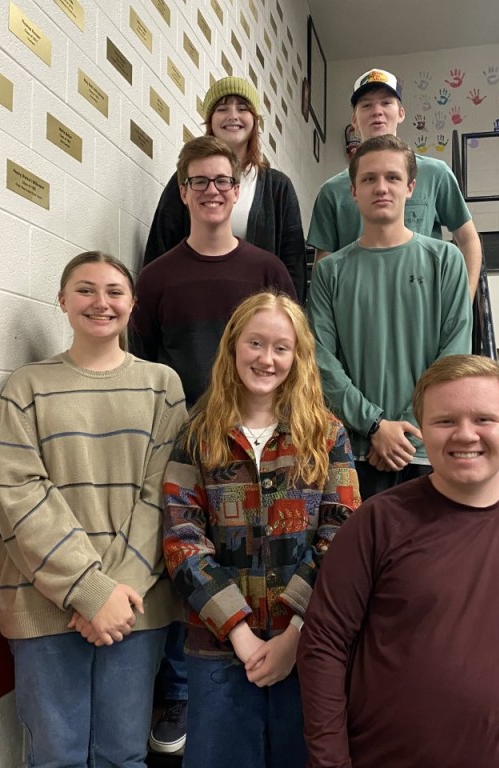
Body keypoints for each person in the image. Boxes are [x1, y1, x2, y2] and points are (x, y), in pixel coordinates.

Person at [297, 354, 499, 768]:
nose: (465, 435)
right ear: (423, 430)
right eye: (445, 421)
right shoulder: (376, 523)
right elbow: (323, 647)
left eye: (484, 419)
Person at [0, 251, 187, 768]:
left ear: (132, 304)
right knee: (57, 758)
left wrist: (115, 593)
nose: (101, 302)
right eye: (85, 290)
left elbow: (163, 494)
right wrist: (92, 591)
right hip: (43, 603)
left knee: (122, 757)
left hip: (134, 605)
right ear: (62, 300)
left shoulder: (163, 386)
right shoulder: (26, 386)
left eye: (114, 291)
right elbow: (20, 494)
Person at [132, 135, 296, 754]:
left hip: (268, 446)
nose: (211, 191)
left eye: (222, 180)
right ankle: (178, 694)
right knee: (193, 559)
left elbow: (291, 349)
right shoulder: (156, 278)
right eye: (198, 181)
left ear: (237, 188)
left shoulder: (267, 270)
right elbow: (144, 364)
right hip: (194, 448)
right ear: (183, 192)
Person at [162, 291, 361, 768]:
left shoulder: (327, 435)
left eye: (280, 347)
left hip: (310, 648)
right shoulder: (197, 435)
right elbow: (182, 540)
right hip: (217, 651)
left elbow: (342, 536)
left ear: (297, 356)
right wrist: (239, 633)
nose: (266, 359)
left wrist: (295, 635)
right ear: (233, 345)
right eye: (255, 343)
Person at [306, 134, 472, 499]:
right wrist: (374, 425)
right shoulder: (329, 272)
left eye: (393, 177)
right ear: (353, 191)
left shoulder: (446, 261)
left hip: (425, 450)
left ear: (411, 187)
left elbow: (454, 356)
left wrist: (405, 429)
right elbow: (319, 359)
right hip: (352, 452)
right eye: (369, 179)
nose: (381, 187)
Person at [308, 68, 482, 296]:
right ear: (354, 120)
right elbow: (324, 263)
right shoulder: (332, 191)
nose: (377, 111)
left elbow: (468, 239)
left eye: (386, 103)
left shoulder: (435, 174)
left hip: (423, 303)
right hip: (356, 305)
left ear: (401, 113)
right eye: (366, 105)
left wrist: (465, 301)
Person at [142, 76, 308, 301]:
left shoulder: (278, 187)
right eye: (222, 109)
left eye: (242, 108)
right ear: (210, 120)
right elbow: (160, 248)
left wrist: (289, 314)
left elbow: (293, 264)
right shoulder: (186, 181)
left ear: (255, 120)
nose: (233, 115)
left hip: (257, 311)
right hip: (194, 305)